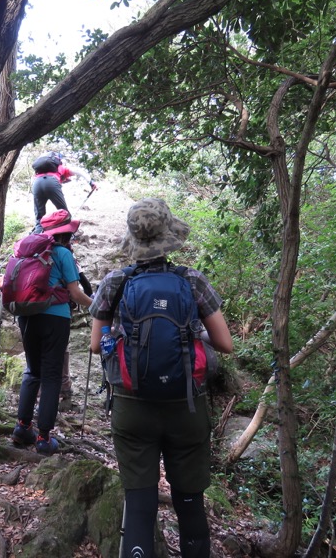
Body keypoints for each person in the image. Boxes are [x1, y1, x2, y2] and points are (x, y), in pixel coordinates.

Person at [89, 198, 233, 558]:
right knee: (190, 501)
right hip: (186, 406)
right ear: (170, 236)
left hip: (131, 406)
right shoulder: (192, 281)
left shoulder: (115, 282)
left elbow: (95, 345)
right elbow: (225, 344)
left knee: (140, 502)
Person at [0, 209, 92, 455]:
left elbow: (4, 282)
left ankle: (22, 429)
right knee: (52, 375)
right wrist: (98, 307)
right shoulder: (63, 254)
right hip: (56, 318)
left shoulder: (24, 251)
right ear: (65, 233)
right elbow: (75, 293)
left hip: (27, 316)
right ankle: (43, 438)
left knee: (32, 371)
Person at [32, 151, 97, 233]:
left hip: (36, 183)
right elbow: (78, 171)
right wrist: (91, 182)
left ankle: (37, 236)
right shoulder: (61, 168)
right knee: (64, 213)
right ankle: (69, 235)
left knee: (39, 217)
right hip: (51, 183)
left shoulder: (40, 171)